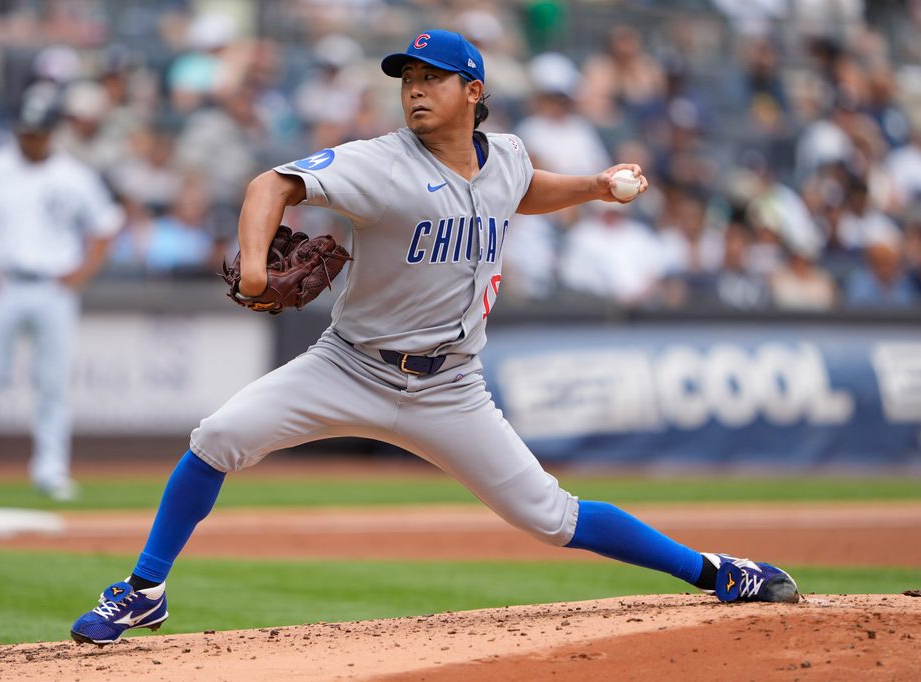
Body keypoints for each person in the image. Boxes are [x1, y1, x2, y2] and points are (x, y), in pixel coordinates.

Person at [70, 30, 799, 647]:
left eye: (433, 79)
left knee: (552, 517)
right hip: (348, 366)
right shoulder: (379, 163)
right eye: (407, 80)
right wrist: (257, 267)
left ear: (473, 90)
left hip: (451, 386)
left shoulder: (506, 156)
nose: (415, 90)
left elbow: (523, 187)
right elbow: (271, 184)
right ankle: (144, 587)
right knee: (217, 436)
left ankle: (716, 571)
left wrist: (597, 186)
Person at [0, 84, 124, 502]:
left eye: (37, 131)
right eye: (25, 131)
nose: (30, 138)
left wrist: (82, 273)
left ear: (52, 131)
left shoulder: (74, 175)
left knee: (52, 382)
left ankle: (51, 470)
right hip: (1, 284)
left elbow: (107, 227)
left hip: (52, 287)